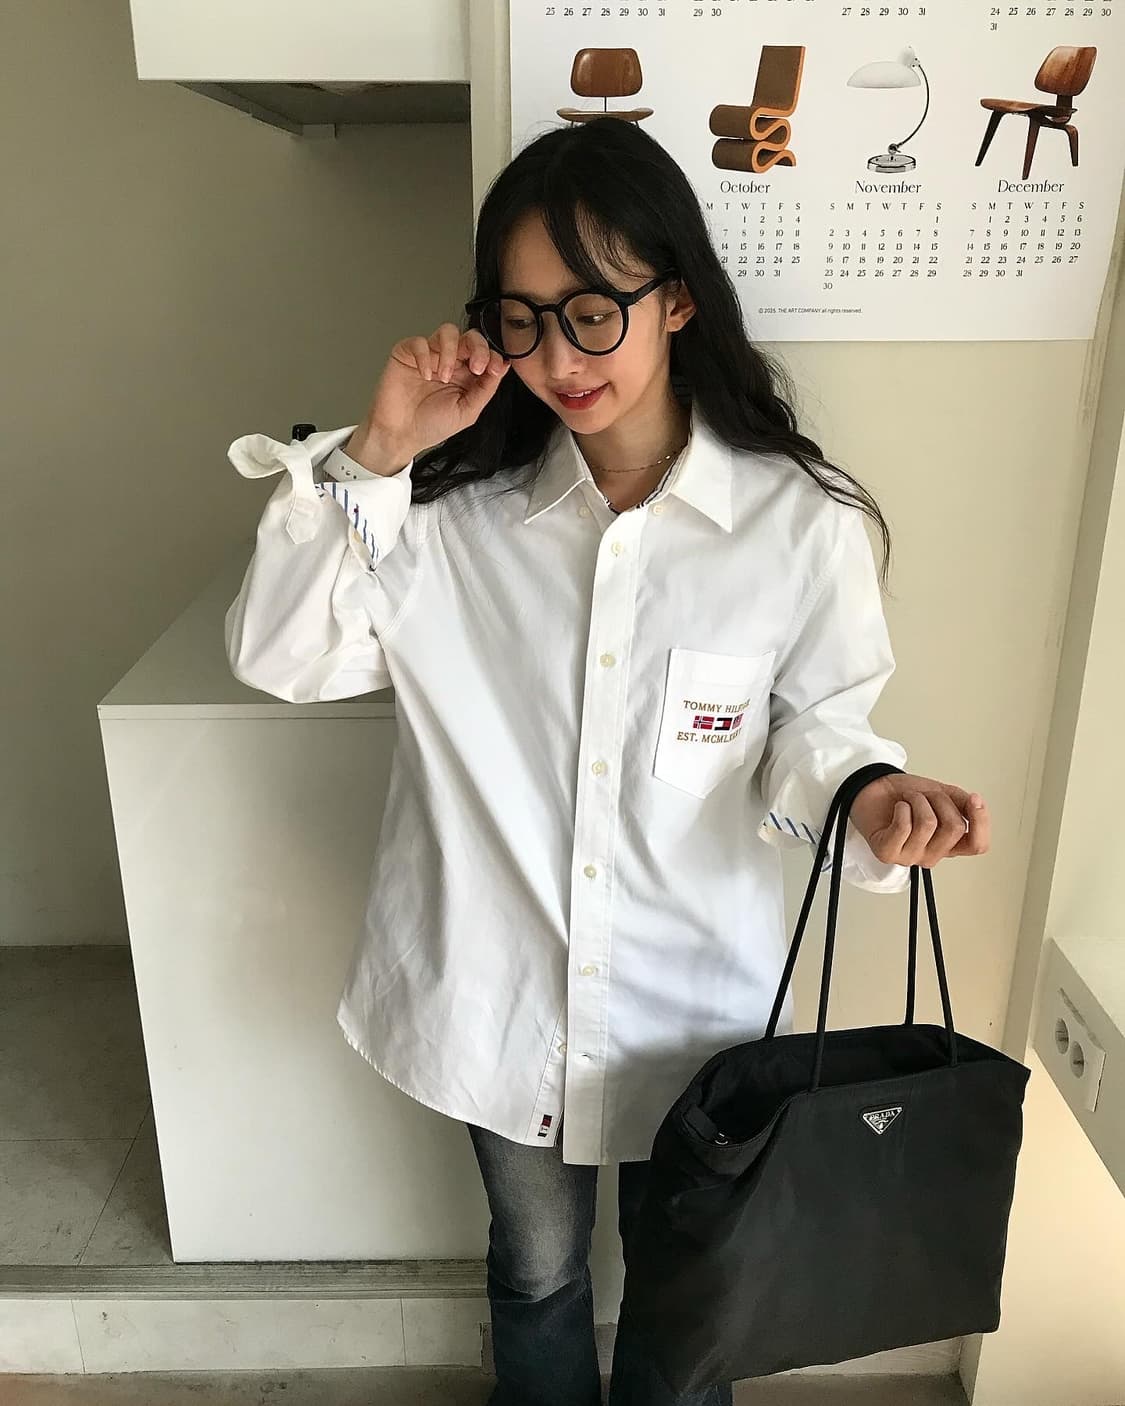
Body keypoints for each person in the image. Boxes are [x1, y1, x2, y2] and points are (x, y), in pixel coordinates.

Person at [224, 117, 990, 1406]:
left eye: (591, 312)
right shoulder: (446, 521)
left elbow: (816, 730)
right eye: (520, 320)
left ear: (676, 298)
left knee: (694, 1288)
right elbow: (281, 657)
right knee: (535, 1272)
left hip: (692, 1001)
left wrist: (874, 796)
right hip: (500, 993)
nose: (558, 357)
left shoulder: (799, 526)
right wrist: (379, 453)